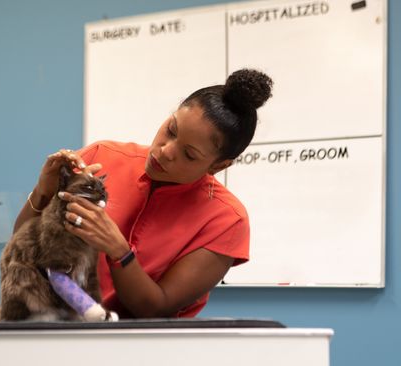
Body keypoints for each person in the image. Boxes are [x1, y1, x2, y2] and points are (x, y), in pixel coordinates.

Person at [14, 69, 273, 319]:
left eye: (189, 154)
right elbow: (22, 247)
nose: (165, 151)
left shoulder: (227, 221)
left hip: (143, 344)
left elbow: (155, 309)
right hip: (51, 328)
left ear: (218, 166)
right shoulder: (100, 156)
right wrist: (43, 192)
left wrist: (119, 251)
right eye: (171, 130)